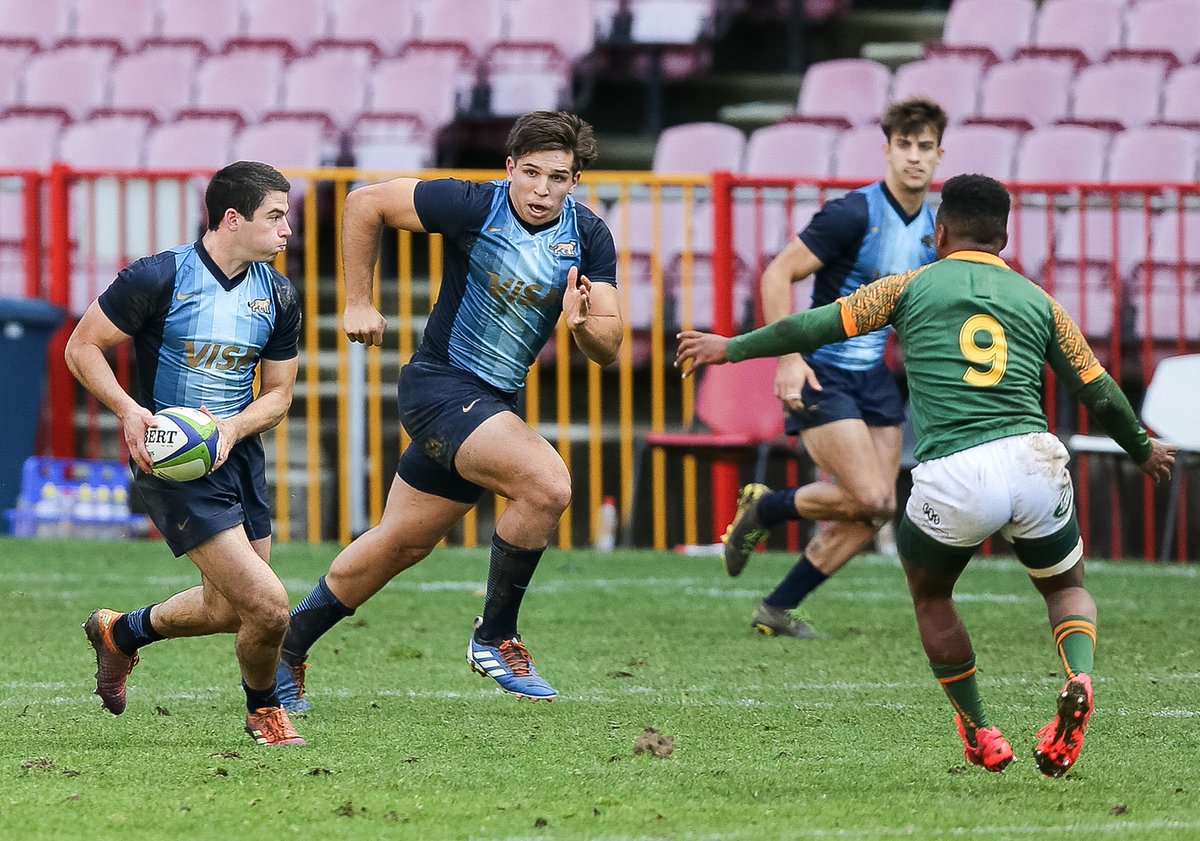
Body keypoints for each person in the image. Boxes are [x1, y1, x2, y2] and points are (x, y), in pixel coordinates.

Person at [676, 173, 1176, 775]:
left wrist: (729, 348)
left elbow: (810, 328)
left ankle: (979, 730)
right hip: (1033, 459)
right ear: (1005, 237)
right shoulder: (1039, 301)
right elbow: (1097, 388)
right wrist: (1142, 449)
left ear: (939, 232)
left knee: (933, 595)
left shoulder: (910, 287)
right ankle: (1080, 677)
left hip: (957, 474)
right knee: (1066, 588)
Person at [275, 111, 622, 710]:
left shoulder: (589, 236)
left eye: (558, 178)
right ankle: (495, 637)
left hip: (492, 402)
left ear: (576, 180)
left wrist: (583, 325)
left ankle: (285, 649)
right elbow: (363, 204)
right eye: (531, 173)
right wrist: (358, 302)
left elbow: (609, 347)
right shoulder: (472, 206)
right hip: (440, 388)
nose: (542, 190)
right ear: (510, 168)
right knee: (547, 486)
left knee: (401, 544)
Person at [64, 161, 307, 746]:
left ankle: (122, 633)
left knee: (228, 610)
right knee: (271, 607)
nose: (287, 231)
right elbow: (83, 347)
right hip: (172, 462)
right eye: (275, 217)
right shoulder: (159, 277)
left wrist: (231, 429)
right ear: (232, 219)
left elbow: (278, 396)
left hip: (238, 457)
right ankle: (264, 711)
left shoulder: (277, 294)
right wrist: (128, 410)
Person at [721, 97, 949, 640]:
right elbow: (777, 275)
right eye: (904, 146)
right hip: (823, 369)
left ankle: (776, 609)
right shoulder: (854, 214)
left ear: (940, 156)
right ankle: (767, 508)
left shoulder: (936, 229)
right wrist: (789, 358)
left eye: (926, 148)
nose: (915, 158)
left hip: (874, 378)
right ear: (887, 150)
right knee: (870, 496)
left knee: (879, 509)